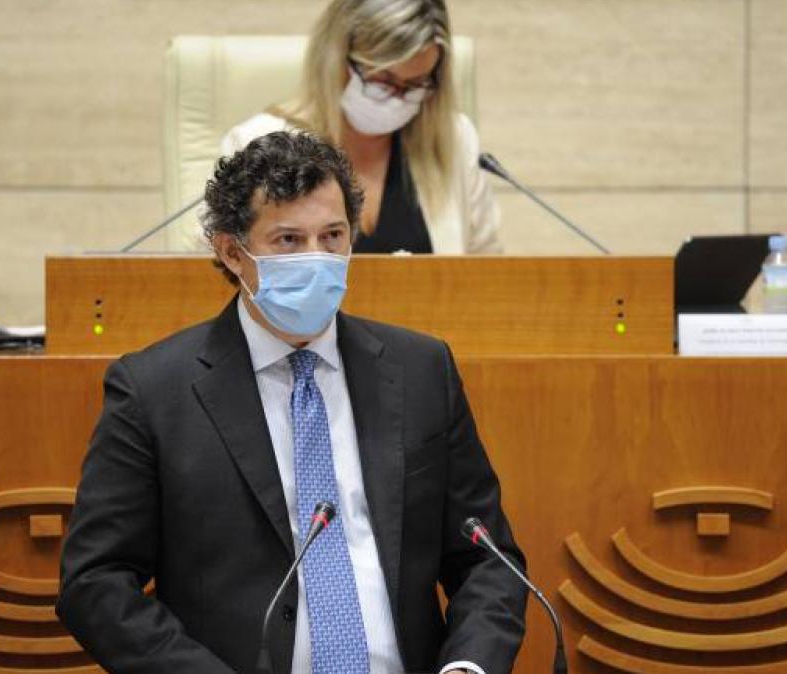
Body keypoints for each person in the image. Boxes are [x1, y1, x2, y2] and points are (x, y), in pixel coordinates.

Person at [58, 131, 527, 674]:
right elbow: (95, 583)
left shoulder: (421, 370)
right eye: (287, 241)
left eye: (332, 236)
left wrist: (469, 666)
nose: (317, 259)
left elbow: (487, 559)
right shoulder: (153, 391)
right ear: (232, 252)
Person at [219, 0, 502, 255]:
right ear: (335, 59)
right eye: (383, 80)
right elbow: (214, 269)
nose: (397, 98)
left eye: (416, 84)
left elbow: (485, 269)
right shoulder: (254, 146)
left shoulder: (454, 139)